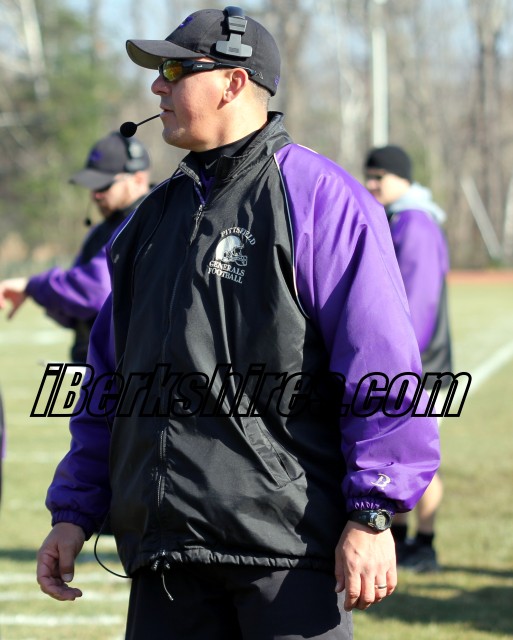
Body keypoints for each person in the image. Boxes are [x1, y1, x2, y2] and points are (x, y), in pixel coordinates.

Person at [36, 8, 440, 639]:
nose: (157, 86)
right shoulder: (146, 222)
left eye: (175, 70)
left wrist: (373, 512)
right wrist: (74, 510)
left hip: (287, 556)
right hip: (167, 558)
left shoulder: (321, 198)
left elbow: (382, 367)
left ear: (232, 81)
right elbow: (108, 381)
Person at [364, 144, 453, 573]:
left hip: (420, 366)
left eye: (379, 177)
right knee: (397, 455)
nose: (371, 184)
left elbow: (417, 303)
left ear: (402, 178)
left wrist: (397, 362)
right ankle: (402, 541)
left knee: (416, 459)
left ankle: (426, 545)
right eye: (368, 175)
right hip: (412, 364)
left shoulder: (414, 222)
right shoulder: (400, 217)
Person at [0, 132, 151, 363]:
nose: (95, 195)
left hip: (130, 367)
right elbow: (76, 307)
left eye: (104, 184)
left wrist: (32, 285)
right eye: (92, 185)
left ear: (138, 179)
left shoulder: (149, 224)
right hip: (100, 364)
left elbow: (94, 290)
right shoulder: (102, 230)